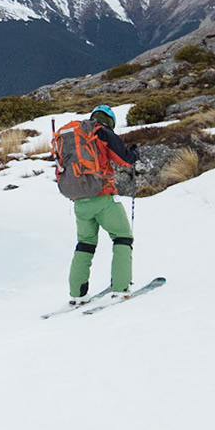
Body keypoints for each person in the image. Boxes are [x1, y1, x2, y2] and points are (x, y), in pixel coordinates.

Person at [51, 105, 140, 303]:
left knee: (85, 244)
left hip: (79, 201)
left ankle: (78, 294)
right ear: (110, 121)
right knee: (123, 237)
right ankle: (121, 288)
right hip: (103, 197)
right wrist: (134, 153)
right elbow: (125, 160)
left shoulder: (77, 136)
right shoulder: (103, 133)